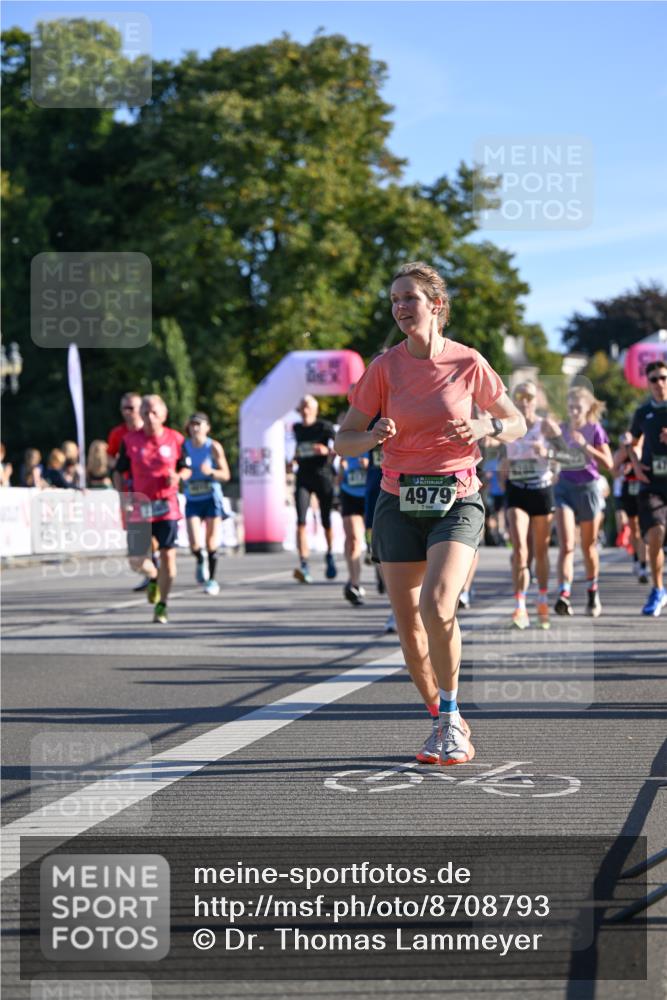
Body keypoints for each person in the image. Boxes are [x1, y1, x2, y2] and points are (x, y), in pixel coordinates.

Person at [335, 261, 526, 766]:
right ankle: (442, 715)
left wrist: (485, 428)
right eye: (394, 299)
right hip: (397, 502)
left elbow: (517, 421)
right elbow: (343, 441)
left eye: (410, 298)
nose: (400, 307)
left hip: (457, 498)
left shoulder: (468, 363)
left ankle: (449, 718)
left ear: (436, 306)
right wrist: (371, 436)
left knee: (438, 605)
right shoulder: (384, 368)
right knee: (409, 626)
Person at [113, 395, 191, 624]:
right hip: (141, 505)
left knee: (169, 559)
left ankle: (162, 605)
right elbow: (118, 471)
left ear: (164, 415)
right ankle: (154, 575)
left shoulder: (175, 439)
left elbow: (185, 469)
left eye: (154, 412)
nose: (149, 417)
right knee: (136, 559)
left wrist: (177, 477)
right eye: (145, 412)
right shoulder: (130, 441)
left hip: (166, 505)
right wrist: (123, 496)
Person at [550, 386, 613, 618]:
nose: (574, 411)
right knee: (566, 544)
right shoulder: (562, 430)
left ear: (588, 408)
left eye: (579, 407)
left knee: (587, 547)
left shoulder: (595, 429)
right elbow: (556, 457)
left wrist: (585, 446)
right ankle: (563, 595)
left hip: (588, 489)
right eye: (571, 407)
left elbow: (609, 463)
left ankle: (592, 592)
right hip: (564, 487)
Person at [500, 380, 556, 630]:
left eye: (529, 396)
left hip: (541, 490)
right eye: (519, 395)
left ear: (537, 400)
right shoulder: (509, 426)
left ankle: (542, 599)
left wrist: (547, 453)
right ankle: (520, 605)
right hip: (517, 491)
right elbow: (500, 458)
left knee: (541, 551)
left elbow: (570, 456)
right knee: (520, 549)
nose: (524, 400)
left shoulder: (546, 425)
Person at [627, 358, 667, 616]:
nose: (659, 383)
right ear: (648, 383)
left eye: (663, 378)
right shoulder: (642, 413)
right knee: (655, 535)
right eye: (654, 379)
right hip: (651, 484)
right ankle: (658, 588)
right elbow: (630, 440)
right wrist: (635, 464)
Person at [107, 392, 157, 592]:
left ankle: (155, 571)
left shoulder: (150, 432)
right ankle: (151, 572)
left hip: (152, 492)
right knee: (136, 538)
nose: (127, 412)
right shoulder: (118, 434)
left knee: (152, 533)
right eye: (124, 408)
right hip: (130, 491)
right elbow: (110, 459)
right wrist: (121, 464)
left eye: (131, 408)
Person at [183, 412, 231, 596]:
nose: (195, 428)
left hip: (211, 498)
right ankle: (200, 559)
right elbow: (180, 468)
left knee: (211, 542)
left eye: (199, 424)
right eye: (192, 424)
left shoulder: (213, 447)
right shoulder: (184, 447)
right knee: (194, 543)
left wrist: (210, 471)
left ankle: (211, 580)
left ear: (207, 427)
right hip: (192, 498)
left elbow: (226, 475)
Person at [291, 395, 337, 583]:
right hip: (303, 476)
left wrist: (326, 451)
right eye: (302, 406)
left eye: (308, 406)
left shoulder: (325, 427)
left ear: (315, 410)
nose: (305, 409)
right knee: (300, 520)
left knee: (326, 519)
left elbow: (339, 448)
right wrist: (292, 460)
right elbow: (298, 449)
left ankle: (330, 553)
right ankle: (303, 563)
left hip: (323, 475)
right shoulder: (296, 428)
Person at [612, 432, 648, 583]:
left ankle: (644, 565)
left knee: (644, 529)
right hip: (628, 491)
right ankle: (636, 559)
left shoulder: (643, 449)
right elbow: (613, 471)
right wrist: (621, 471)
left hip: (644, 491)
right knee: (634, 529)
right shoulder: (620, 454)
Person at [337, 454, 368, 605]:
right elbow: (337, 478)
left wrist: (371, 465)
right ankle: (354, 584)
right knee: (354, 539)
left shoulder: (377, 436)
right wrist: (341, 470)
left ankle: (381, 574)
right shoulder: (347, 437)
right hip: (349, 493)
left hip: (372, 492)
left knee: (376, 541)